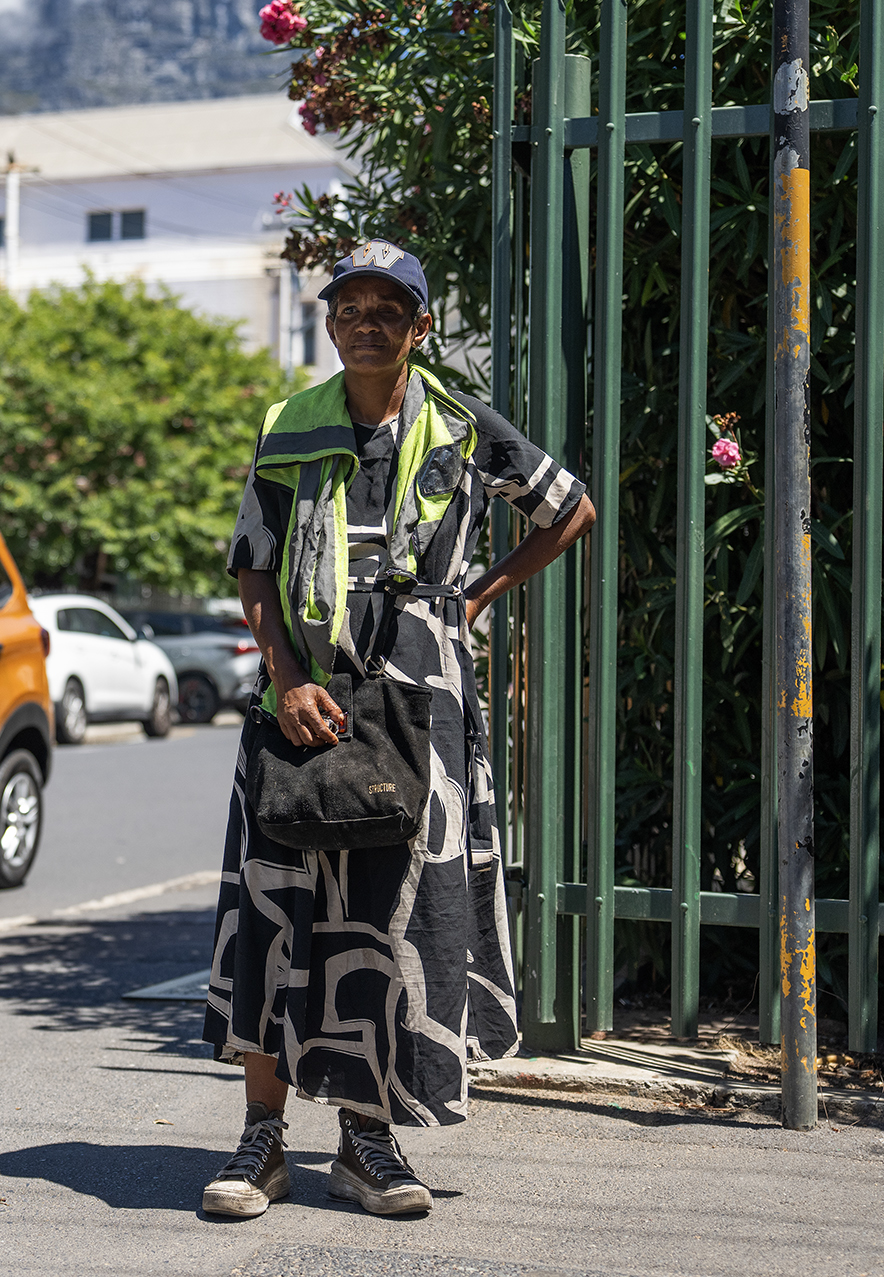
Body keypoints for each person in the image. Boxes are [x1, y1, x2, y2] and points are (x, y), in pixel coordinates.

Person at [200, 240, 594, 1218]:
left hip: (417, 705)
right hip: (300, 702)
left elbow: (567, 508)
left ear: (419, 327)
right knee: (273, 913)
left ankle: (365, 1146)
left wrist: (473, 599)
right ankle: (260, 1145)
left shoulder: (459, 423)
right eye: (349, 308)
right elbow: (252, 564)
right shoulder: (286, 424)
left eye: (388, 308)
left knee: (386, 921)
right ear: (328, 324)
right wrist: (284, 676)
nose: (365, 322)